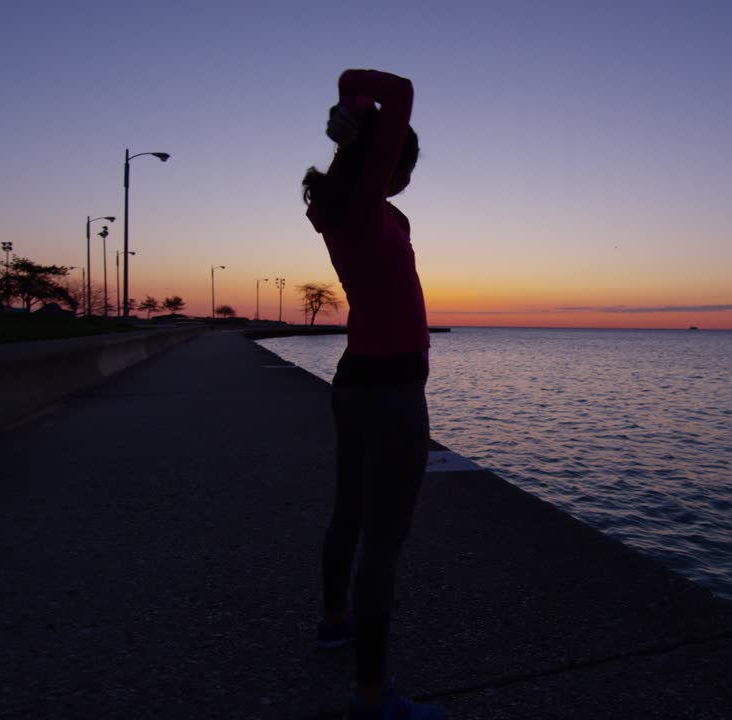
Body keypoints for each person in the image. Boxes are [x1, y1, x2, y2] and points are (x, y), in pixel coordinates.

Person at [302, 69, 443, 720]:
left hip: (356, 379)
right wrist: (354, 107)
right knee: (381, 543)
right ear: (384, 156)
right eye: (401, 163)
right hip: (389, 392)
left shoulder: (354, 205)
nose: (405, 176)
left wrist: (350, 128)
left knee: (349, 513)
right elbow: (396, 88)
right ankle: (371, 697)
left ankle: (334, 622)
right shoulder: (359, 204)